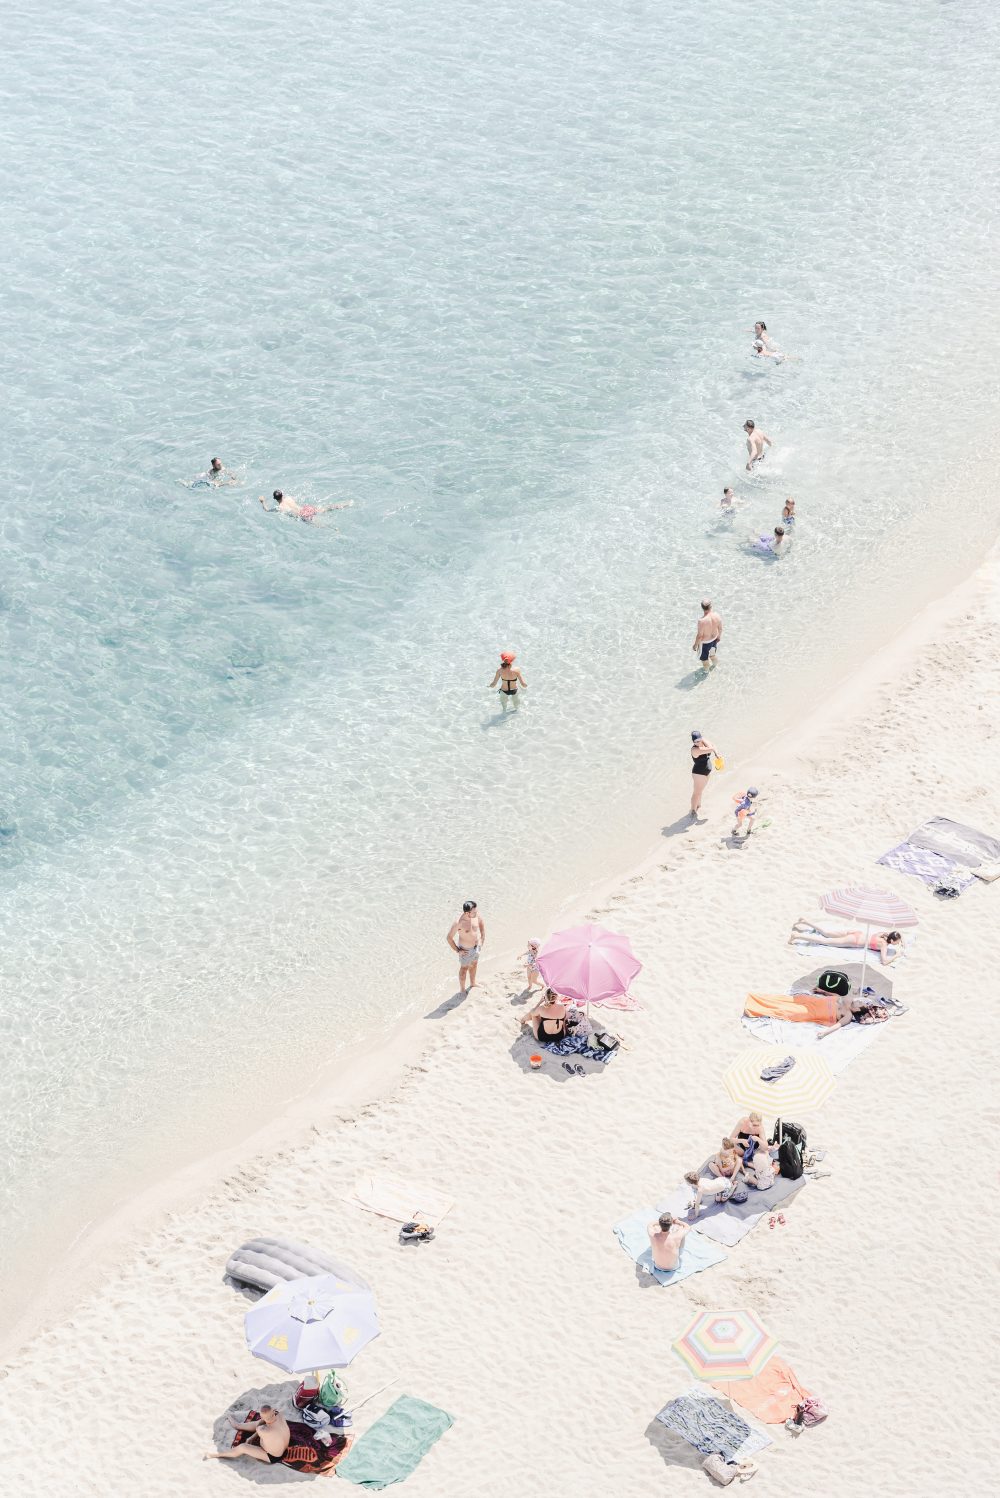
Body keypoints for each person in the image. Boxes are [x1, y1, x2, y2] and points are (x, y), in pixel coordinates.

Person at [788, 920, 903, 965]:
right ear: (892, 941)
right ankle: (797, 936)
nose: (898, 943)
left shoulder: (883, 934)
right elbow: (884, 961)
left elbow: (892, 935)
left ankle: (805, 922)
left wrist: (899, 940)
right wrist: (896, 955)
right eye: (897, 942)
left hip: (856, 933)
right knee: (825, 941)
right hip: (854, 940)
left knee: (827, 933)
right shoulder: (883, 945)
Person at [204, 1406, 290, 1464]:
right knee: (261, 1425)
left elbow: (259, 1429)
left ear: (262, 1417)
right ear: (273, 1411)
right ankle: (237, 1425)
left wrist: (252, 1436)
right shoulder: (279, 1414)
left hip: (273, 1456)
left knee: (243, 1447)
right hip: (286, 1445)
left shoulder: (263, 1430)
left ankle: (216, 1455)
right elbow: (265, 1423)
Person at [448, 900, 486, 991]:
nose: (476, 913)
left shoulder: (477, 916)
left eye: (476, 911)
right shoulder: (458, 923)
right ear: (467, 913)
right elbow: (449, 938)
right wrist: (458, 950)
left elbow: (482, 928)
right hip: (465, 950)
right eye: (474, 912)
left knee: (474, 965)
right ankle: (462, 989)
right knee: (464, 969)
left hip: (476, 947)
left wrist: (481, 941)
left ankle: (473, 983)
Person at [259, 490, 352, 521]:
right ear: (282, 495)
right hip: (306, 508)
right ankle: (346, 504)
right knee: (326, 508)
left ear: (275, 499)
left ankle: (334, 530)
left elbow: (267, 510)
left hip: (303, 515)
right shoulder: (289, 498)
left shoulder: (280, 508)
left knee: (318, 525)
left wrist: (263, 501)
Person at [689, 730, 718, 818]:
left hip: (706, 772)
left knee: (700, 791)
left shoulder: (703, 742)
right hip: (699, 773)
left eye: (699, 740)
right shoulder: (695, 750)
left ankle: (698, 805)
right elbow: (711, 748)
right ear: (693, 742)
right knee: (696, 792)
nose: (698, 743)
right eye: (695, 741)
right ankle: (693, 810)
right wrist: (713, 749)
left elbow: (713, 746)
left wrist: (717, 754)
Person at [693, 599, 723, 672]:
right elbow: (720, 628)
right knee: (712, 655)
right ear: (711, 606)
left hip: (705, 644)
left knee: (704, 659)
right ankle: (715, 665)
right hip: (715, 639)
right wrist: (719, 636)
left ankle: (706, 672)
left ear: (702, 607)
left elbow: (700, 636)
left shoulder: (702, 621)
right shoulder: (717, 615)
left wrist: (695, 645)